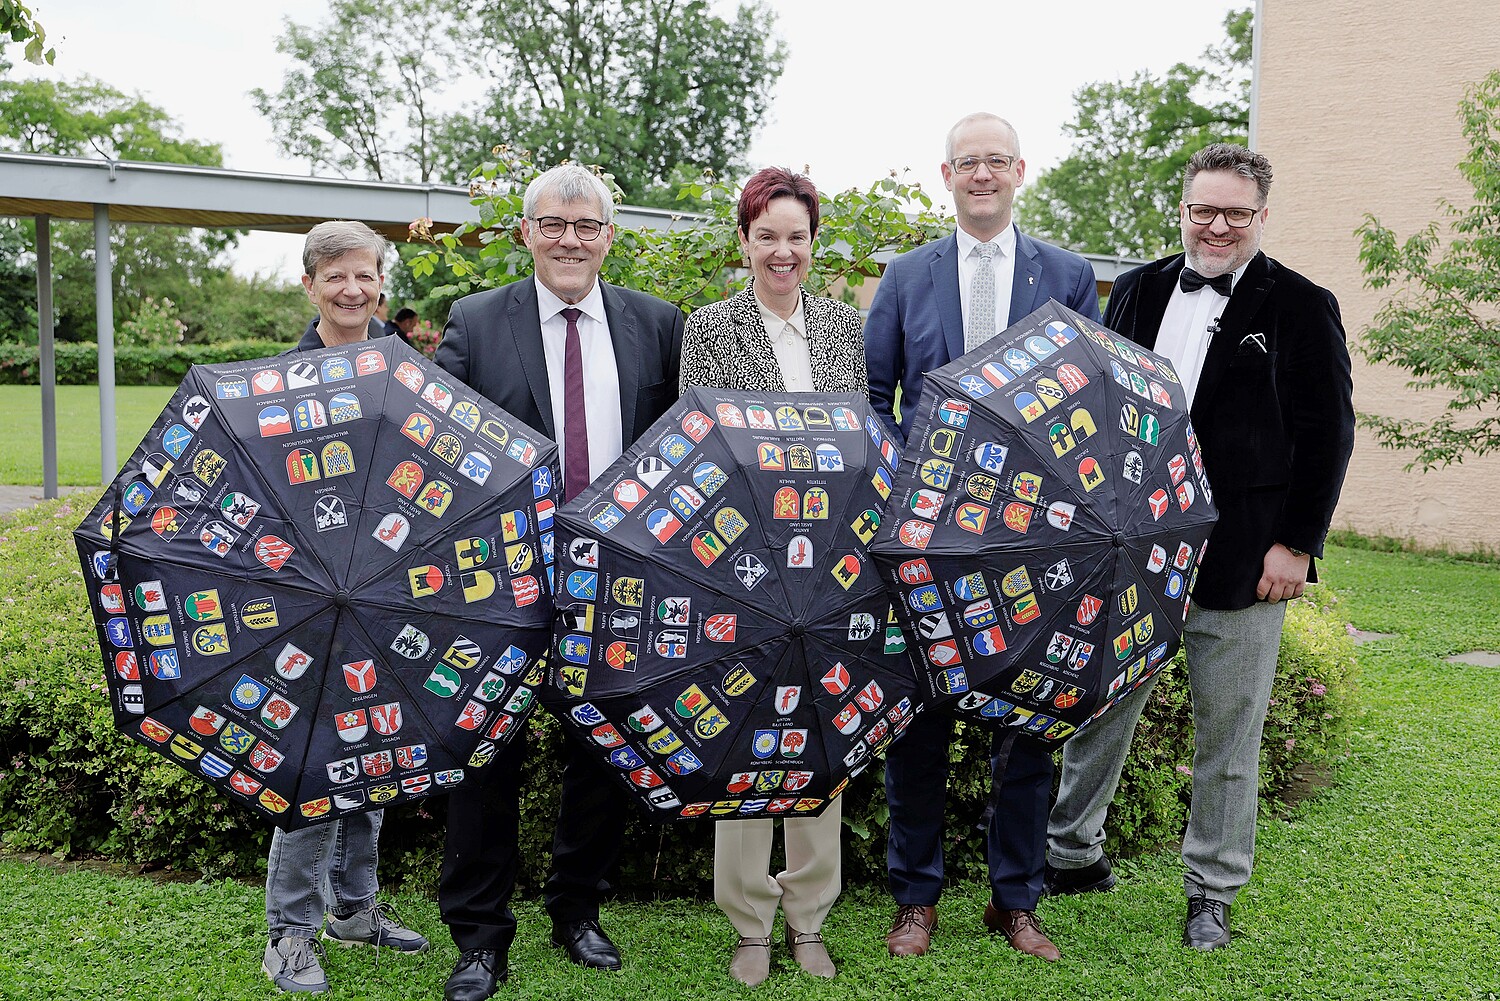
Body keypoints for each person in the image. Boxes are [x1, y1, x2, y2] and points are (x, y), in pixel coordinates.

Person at [1043, 143, 1355, 951]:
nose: (1216, 226)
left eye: (1235, 213)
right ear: (1181, 208)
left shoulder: (1301, 304)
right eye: (1202, 209)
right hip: (1131, 549)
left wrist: (1295, 544)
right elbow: (1098, 406)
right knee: (1101, 709)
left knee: (1228, 734)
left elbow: (1328, 435)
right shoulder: (1140, 289)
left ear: (1260, 216)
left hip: (1244, 555)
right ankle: (1070, 851)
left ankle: (1211, 891)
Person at [432, 163, 684, 1001]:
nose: (570, 239)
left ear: (609, 235)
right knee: (484, 757)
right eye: (553, 224)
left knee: (601, 753)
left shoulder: (658, 324)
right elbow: (445, 452)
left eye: (586, 225)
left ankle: (577, 910)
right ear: (527, 233)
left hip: (615, 579)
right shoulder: (473, 322)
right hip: (502, 580)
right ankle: (478, 936)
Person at [863, 112, 1101, 963]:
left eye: (996, 161)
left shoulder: (1068, 276)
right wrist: (917, 487)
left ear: (1021, 170)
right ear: (947, 174)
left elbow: (1087, 398)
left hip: (1036, 541)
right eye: (968, 163)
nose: (983, 175)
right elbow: (874, 398)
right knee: (921, 728)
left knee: (1029, 729)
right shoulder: (905, 275)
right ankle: (915, 899)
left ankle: (1015, 900)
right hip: (931, 539)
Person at [679, 167, 866, 987]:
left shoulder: (844, 328)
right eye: (767, 236)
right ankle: (751, 922)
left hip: (829, 563)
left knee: (822, 730)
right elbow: (698, 439)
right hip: (744, 561)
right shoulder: (711, 327)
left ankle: (811, 915)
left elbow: (861, 442)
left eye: (796, 236)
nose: (782, 251)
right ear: (745, 240)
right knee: (748, 733)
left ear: (813, 243)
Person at [262, 220, 429, 994]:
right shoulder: (279, 382)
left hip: (384, 594)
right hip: (309, 601)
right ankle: (288, 934)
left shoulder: (404, 371)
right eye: (337, 278)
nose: (353, 291)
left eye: (365, 276)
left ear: (381, 283)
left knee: (372, 752)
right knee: (311, 766)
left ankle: (354, 911)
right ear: (310, 285)